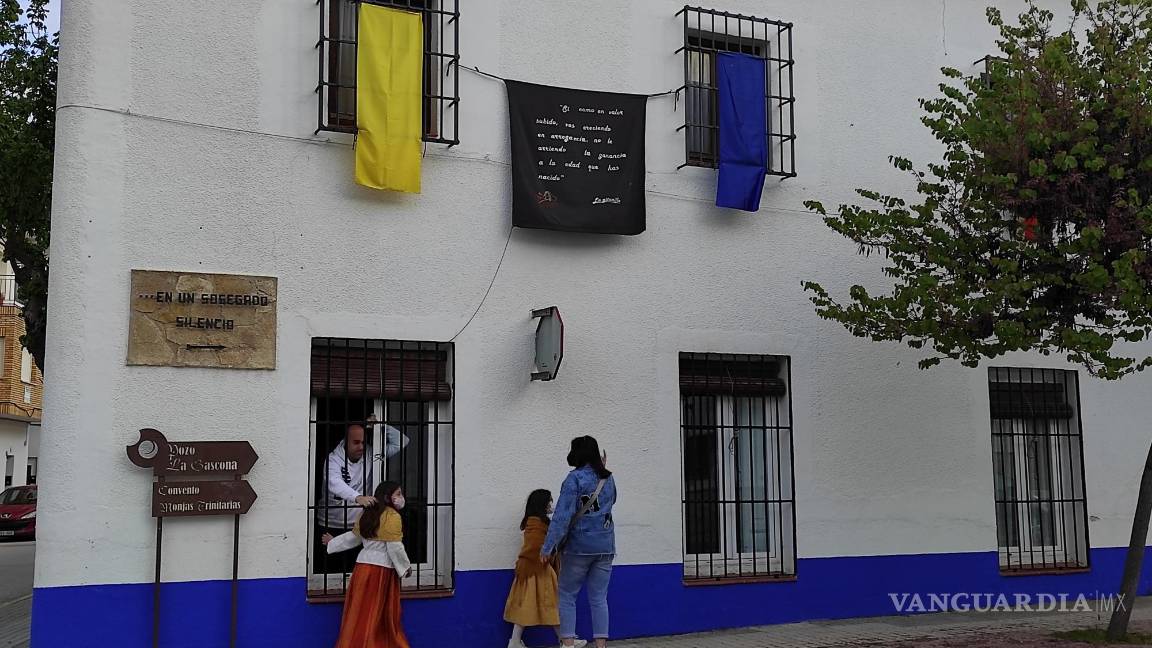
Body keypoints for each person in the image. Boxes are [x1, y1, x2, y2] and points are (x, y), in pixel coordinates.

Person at [541, 436, 617, 648]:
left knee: (566, 595)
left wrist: (548, 547)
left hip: (579, 547)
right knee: (599, 598)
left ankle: (567, 644)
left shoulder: (574, 479)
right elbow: (612, 501)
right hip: (605, 545)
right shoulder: (608, 478)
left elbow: (562, 517)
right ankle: (601, 645)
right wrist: (602, 469)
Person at [322, 481, 412, 648]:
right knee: (377, 614)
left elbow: (353, 537)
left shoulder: (368, 514)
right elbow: (394, 547)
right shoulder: (392, 517)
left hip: (362, 568)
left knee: (359, 612)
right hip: (381, 571)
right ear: (387, 497)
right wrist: (405, 568)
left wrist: (332, 543)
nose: (401, 498)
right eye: (398, 494)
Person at [317, 417, 409, 574]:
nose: (361, 446)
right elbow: (334, 482)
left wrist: (380, 426)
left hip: (358, 526)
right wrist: (357, 497)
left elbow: (402, 441)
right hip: (330, 523)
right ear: (345, 442)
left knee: (356, 572)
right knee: (330, 574)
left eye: (363, 442)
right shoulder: (333, 459)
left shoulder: (371, 454)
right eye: (356, 442)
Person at [503, 489, 588, 648]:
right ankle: (566, 641)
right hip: (538, 570)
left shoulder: (534, 522)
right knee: (552, 605)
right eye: (549, 501)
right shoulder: (536, 523)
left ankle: (515, 642)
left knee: (530, 606)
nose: (551, 504)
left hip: (531, 570)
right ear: (541, 504)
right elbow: (536, 547)